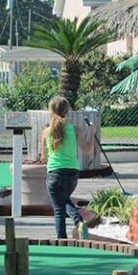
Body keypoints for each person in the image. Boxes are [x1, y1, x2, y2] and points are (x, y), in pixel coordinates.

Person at [40, 96, 92, 239]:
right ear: (67, 112)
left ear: (50, 111)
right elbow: (87, 149)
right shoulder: (75, 129)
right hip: (72, 174)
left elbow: (43, 157)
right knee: (64, 200)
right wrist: (91, 133)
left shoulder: (46, 132)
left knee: (58, 209)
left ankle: (62, 239)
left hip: (54, 174)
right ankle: (78, 222)